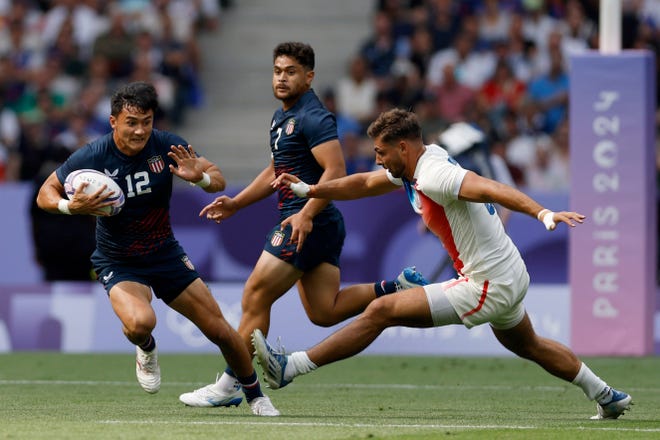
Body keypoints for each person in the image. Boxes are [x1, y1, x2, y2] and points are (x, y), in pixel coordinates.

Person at [253, 108, 633, 421]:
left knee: (382, 310)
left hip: (488, 283)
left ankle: (292, 367)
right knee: (530, 344)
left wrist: (542, 212)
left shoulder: (435, 174)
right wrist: (313, 190)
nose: (377, 159)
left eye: (381, 152)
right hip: (508, 271)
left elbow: (490, 188)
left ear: (403, 147)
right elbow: (366, 184)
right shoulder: (415, 164)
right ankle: (606, 395)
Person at [178, 43, 428, 408]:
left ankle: (232, 382)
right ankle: (394, 286)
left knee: (255, 295)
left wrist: (306, 213)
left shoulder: (314, 116)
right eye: (277, 70)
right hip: (321, 224)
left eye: (291, 71)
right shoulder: (282, 116)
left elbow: (336, 172)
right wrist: (236, 203)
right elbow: (274, 171)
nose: (282, 77)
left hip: (305, 221)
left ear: (309, 76)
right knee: (323, 312)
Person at [35, 81, 279, 416]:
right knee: (139, 323)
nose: (139, 131)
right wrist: (69, 207)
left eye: (146, 122)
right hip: (118, 260)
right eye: (131, 122)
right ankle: (146, 349)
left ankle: (255, 396)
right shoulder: (93, 155)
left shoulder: (167, 146)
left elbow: (216, 177)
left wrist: (201, 178)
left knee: (220, 330)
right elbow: (45, 192)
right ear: (113, 122)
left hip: (164, 253)